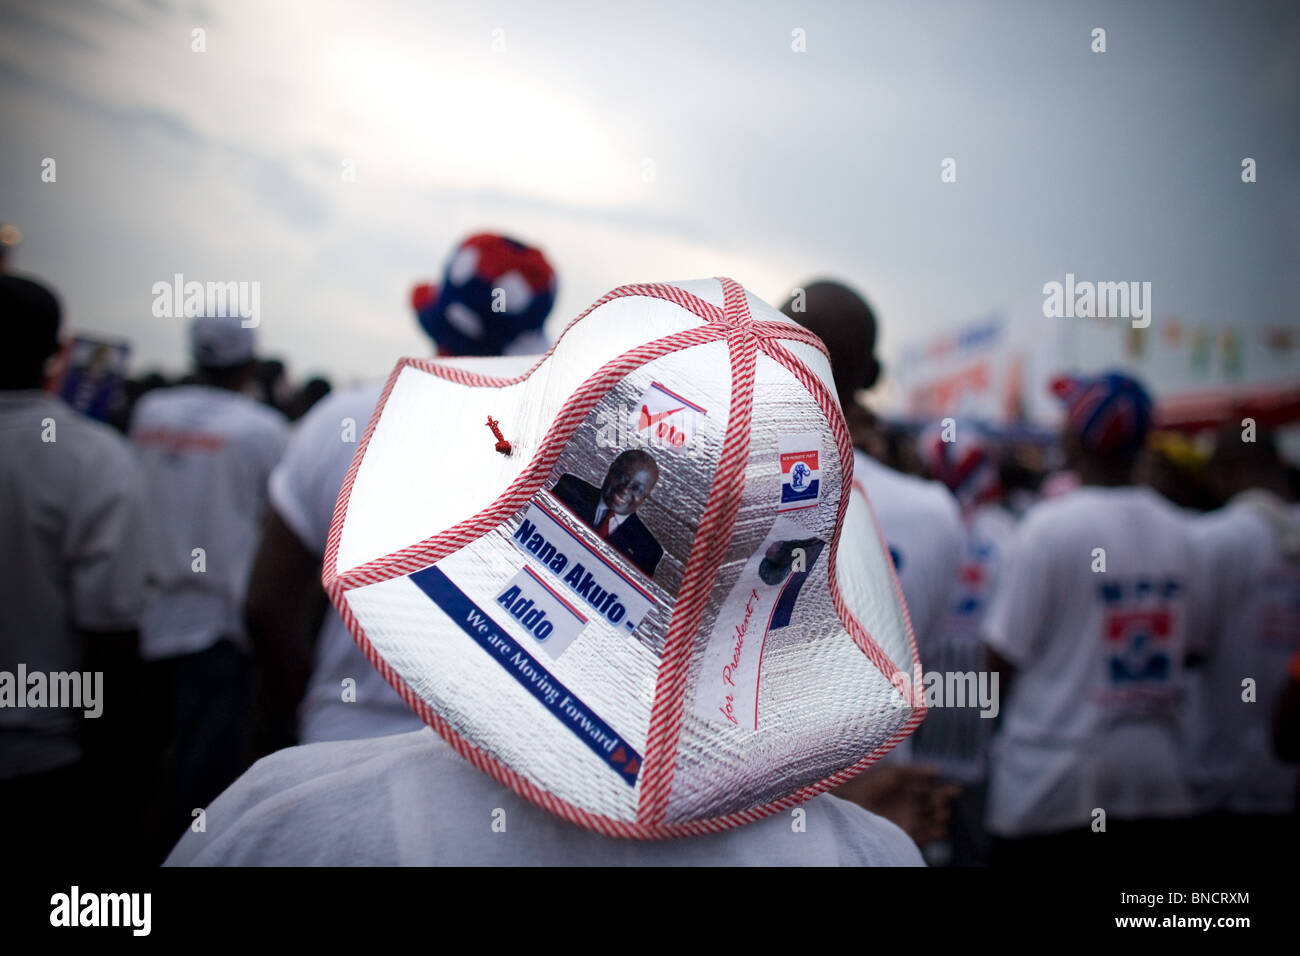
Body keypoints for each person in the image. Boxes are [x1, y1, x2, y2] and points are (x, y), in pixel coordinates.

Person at [167, 276, 925, 866]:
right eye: (620, 481)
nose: (628, 496)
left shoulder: (288, 824)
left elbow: (268, 605)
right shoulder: (869, 856)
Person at [246, 233, 558, 756]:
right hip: (483, 770)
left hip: (334, 749)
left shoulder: (341, 422)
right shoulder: (551, 452)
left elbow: (265, 603)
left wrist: (312, 700)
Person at [981, 371, 1210, 866]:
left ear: (1073, 436)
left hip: (1051, 784)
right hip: (1154, 780)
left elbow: (1000, 659)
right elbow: (1194, 652)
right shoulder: (1183, 532)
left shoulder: (1048, 528)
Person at [779, 280, 963, 848]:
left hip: (738, 803)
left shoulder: (732, 482)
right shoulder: (936, 514)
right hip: (881, 808)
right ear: (876, 375)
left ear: (778, 346)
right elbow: (917, 653)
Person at [0, 274, 151, 864]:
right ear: (58, 351)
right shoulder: (90, 457)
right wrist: (125, 780)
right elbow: (111, 629)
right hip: (46, 758)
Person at [130, 314, 289, 857]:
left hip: (142, 618)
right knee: (199, 795)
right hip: (221, 627)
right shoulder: (263, 429)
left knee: (139, 772)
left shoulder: (150, 413)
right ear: (249, 360)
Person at [1184, 423, 1300, 857]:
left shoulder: (1212, 540)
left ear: (1227, 471)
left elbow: (1187, 650)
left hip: (1216, 775)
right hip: (1283, 780)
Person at [551, 449, 664, 576]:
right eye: (622, 477)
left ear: (646, 496)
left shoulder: (648, 551)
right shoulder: (569, 489)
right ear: (610, 470)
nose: (625, 489)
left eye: (637, 489)